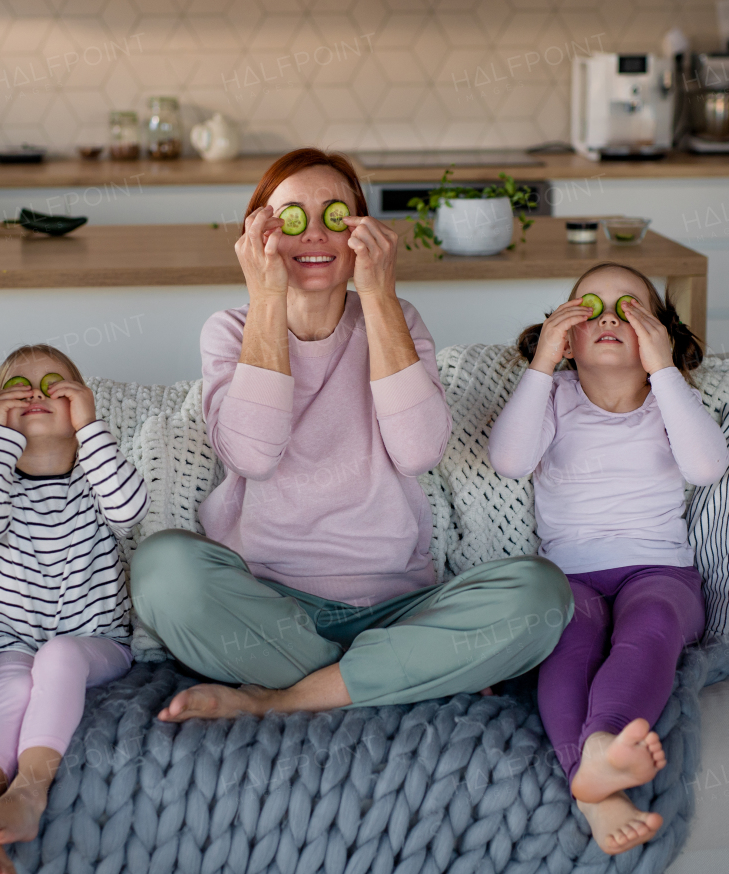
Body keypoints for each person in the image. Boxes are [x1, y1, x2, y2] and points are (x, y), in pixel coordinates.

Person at [128, 148, 573, 722]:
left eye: (335, 216)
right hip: (268, 608)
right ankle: (399, 673)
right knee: (162, 570)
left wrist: (381, 294)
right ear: (259, 234)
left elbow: (418, 451)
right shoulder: (231, 329)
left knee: (540, 596)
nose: (314, 233)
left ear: (363, 234)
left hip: (400, 608)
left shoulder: (398, 318)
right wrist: (266, 298)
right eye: (292, 217)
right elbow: (251, 456)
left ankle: (287, 697)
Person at [488, 262, 729, 855]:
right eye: (588, 308)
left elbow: (707, 467)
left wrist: (664, 367)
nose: (607, 317)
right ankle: (595, 782)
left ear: (657, 331)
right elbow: (510, 461)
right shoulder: (554, 398)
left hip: (659, 571)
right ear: (566, 336)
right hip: (572, 577)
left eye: (628, 308)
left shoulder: (670, 401)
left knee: (651, 623)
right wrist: (542, 365)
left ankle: (604, 742)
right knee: (569, 641)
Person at [0, 345, 148, 874]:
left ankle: (29, 793)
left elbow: (130, 512)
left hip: (96, 642)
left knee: (59, 656)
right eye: (18, 389)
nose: (37, 395)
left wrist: (90, 425)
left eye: (54, 386)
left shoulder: (97, 481)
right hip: (7, 641)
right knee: (15, 689)